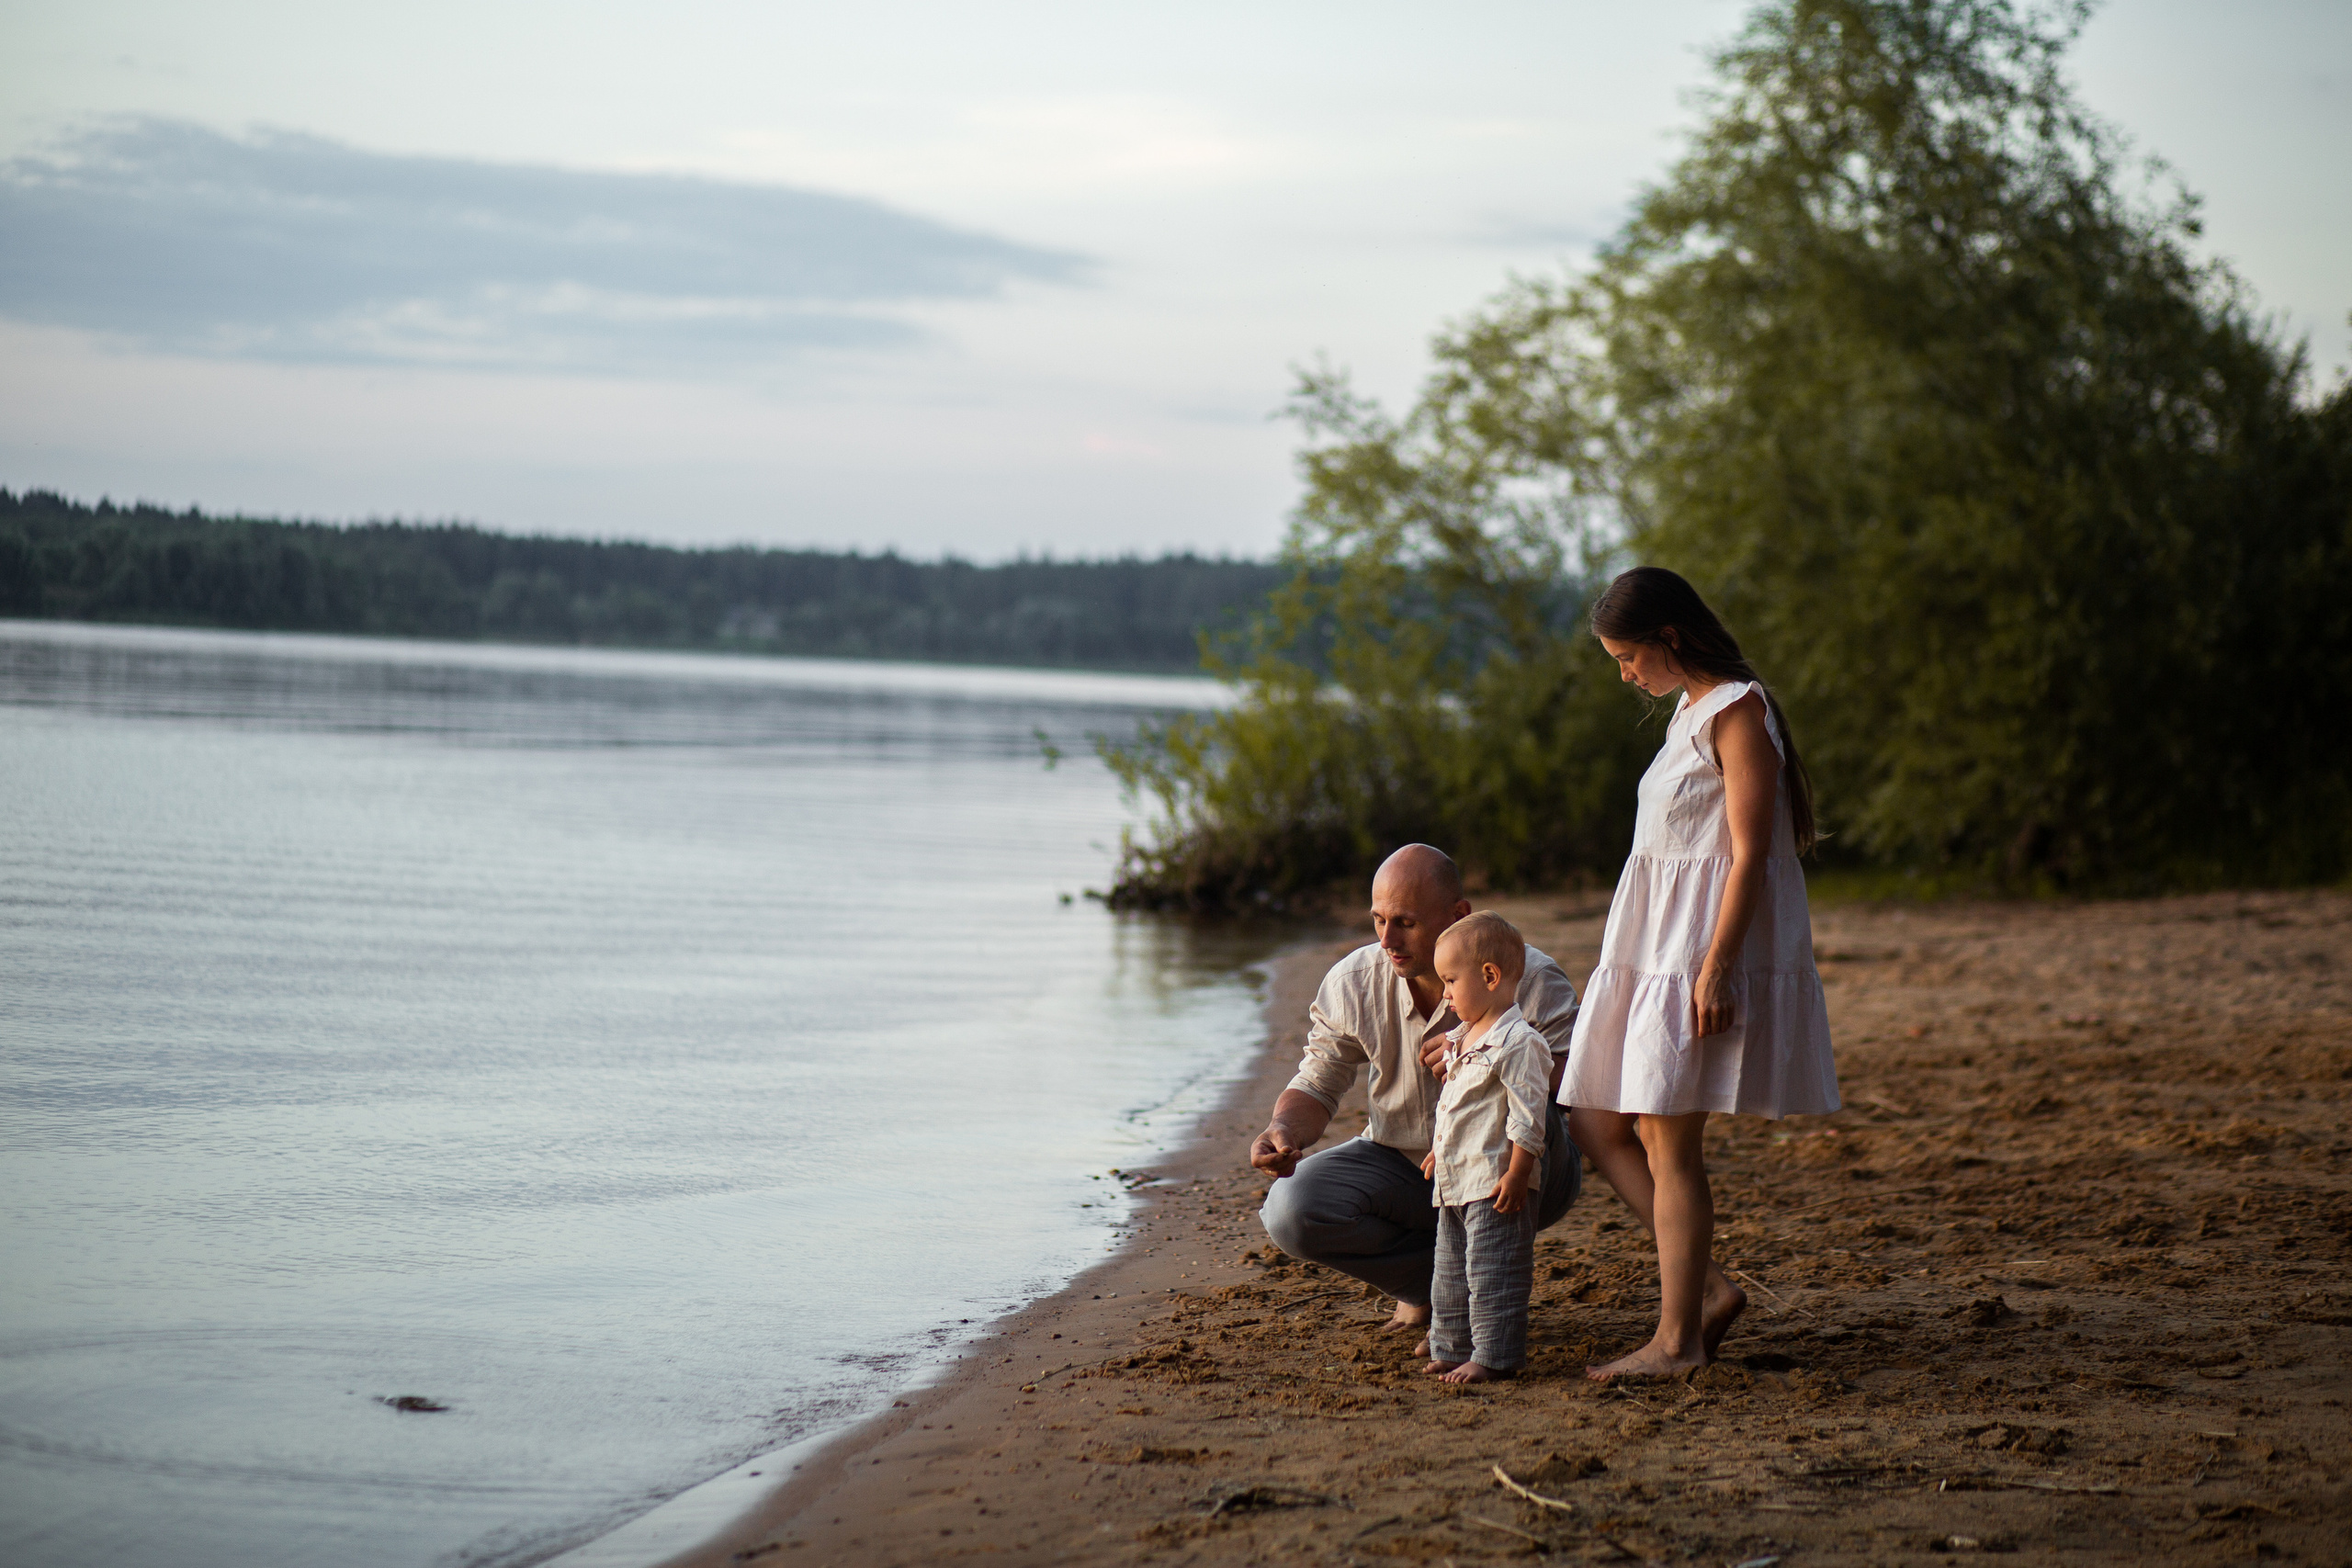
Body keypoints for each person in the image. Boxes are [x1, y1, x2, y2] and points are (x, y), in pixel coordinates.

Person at [1563, 566, 1840, 1381]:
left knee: (1665, 1136)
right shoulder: (1690, 712)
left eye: (1627, 656)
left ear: (1669, 638)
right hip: (1654, 948)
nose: (1625, 673)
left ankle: (1677, 1340)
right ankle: (1707, 1290)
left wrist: (1716, 968)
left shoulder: (1738, 710)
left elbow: (1753, 851)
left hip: (1693, 954)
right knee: (1600, 1121)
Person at [1252, 843, 1581, 1338]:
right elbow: (1318, 1082)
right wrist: (1281, 1130)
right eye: (1378, 920)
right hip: (1404, 1165)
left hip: (1518, 1167)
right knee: (1290, 1210)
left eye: (1405, 922)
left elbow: (1576, 1086)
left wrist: (1480, 1060)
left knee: (1529, 1130)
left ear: (1458, 916)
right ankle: (1439, 1288)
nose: (1388, 938)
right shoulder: (1354, 981)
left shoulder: (1528, 977)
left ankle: (1483, 1297)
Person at [1419, 911, 1550, 1383]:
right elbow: (1458, 1107)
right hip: (1458, 1178)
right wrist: (1440, 1150)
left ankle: (1495, 1356)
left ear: (1490, 976)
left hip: (1495, 1181)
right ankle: (1451, 1347)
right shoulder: (1463, 1038)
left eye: (1451, 981)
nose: (1445, 994)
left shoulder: (1519, 1043)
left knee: (1493, 1272)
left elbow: (1528, 1114)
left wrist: (1518, 1173)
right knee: (1451, 1272)